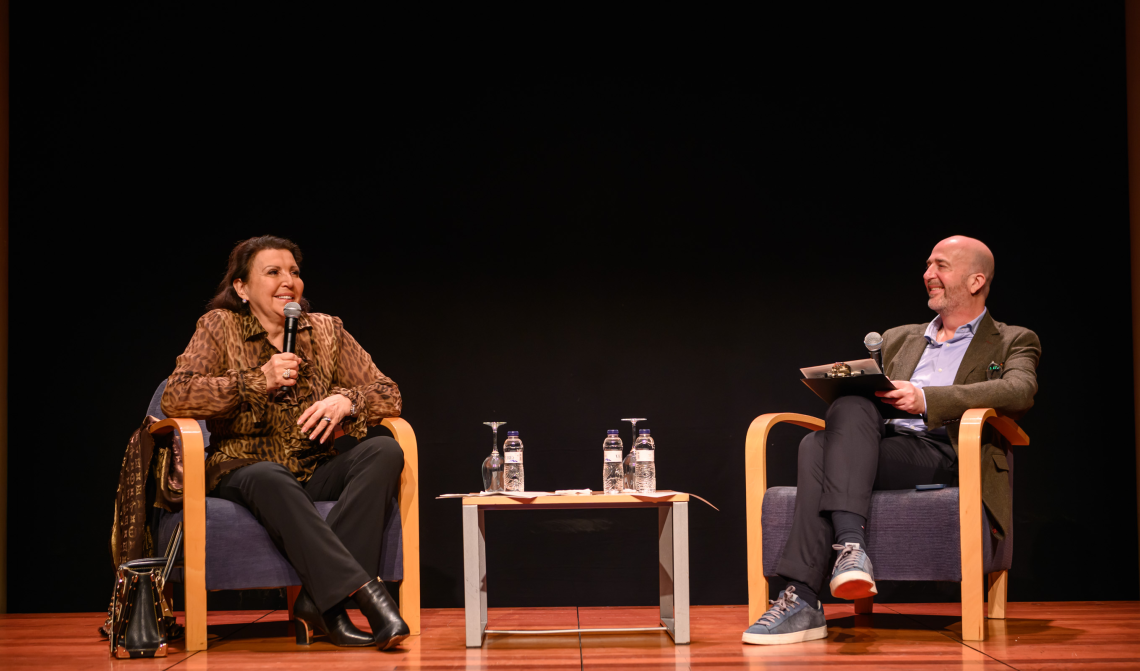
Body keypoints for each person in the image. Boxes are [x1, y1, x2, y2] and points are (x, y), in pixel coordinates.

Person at [742, 235, 1040, 646]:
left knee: (816, 447)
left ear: (975, 281)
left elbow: (1019, 391)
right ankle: (848, 549)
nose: (928, 275)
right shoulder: (899, 337)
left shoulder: (1012, 339)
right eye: (927, 266)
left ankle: (803, 598)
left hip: (950, 450)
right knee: (835, 421)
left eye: (940, 266)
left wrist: (925, 399)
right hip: (883, 444)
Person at [161, 235, 410, 650]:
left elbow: (390, 393)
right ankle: (366, 597)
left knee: (385, 449)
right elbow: (178, 394)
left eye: (293, 272)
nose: (288, 281)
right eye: (272, 272)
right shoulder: (219, 327)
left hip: (312, 467)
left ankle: (318, 604)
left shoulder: (326, 330)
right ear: (241, 287)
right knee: (272, 476)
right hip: (243, 468)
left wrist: (347, 399)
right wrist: (260, 379)